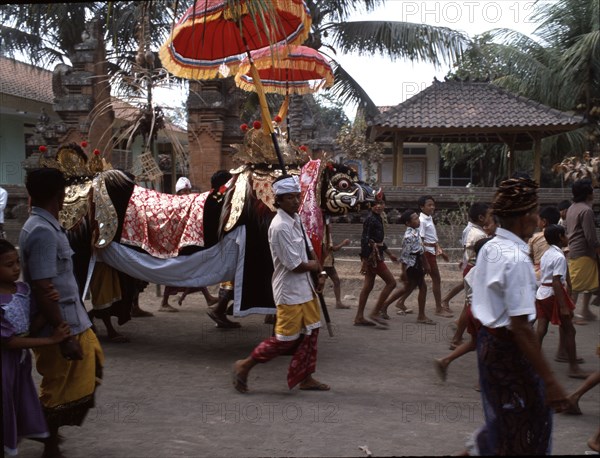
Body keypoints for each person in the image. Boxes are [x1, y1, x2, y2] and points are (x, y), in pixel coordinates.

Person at [465, 176, 568, 455]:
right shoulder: (516, 258)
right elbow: (521, 328)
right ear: (524, 217)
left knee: (507, 419)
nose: (537, 218)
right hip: (508, 351)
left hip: (490, 346)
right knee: (524, 427)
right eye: (534, 212)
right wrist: (549, 380)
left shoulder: (492, 247)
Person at [19, 168, 104, 457]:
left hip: (73, 318)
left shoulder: (46, 226)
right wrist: (61, 333)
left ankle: (44, 433)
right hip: (61, 324)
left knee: (89, 368)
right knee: (58, 385)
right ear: (62, 194)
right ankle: (46, 438)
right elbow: (44, 286)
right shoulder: (42, 231)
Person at [232, 175, 329, 393]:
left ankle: (306, 377)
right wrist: (314, 266)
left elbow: (309, 248)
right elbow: (295, 265)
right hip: (289, 292)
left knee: (312, 333)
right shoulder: (279, 227)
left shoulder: (297, 220)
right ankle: (244, 365)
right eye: (290, 198)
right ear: (279, 200)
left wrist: (320, 272)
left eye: (297, 197)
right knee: (284, 340)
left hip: (306, 288)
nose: (295, 201)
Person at [1, 239, 71, 456]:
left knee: (17, 403)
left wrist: (49, 303)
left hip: (19, 363)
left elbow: (29, 326)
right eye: (8, 264)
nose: (16, 269)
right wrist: (51, 341)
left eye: (17, 263)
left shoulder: (22, 290)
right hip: (3, 363)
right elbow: (9, 341)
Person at [434, 237, 492, 381]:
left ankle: (445, 360)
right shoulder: (489, 271)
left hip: (472, 309)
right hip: (482, 311)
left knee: (474, 342)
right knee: (488, 344)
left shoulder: (473, 270)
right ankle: (482, 380)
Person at [535, 224, 588, 379]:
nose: (567, 237)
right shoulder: (558, 256)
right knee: (570, 330)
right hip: (553, 294)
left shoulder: (547, 254)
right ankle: (573, 368)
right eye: (565, 234)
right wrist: (564, 306)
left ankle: (533, 365)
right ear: (560, 237)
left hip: (542, 294)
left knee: (542, 329)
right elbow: (557, 281)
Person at [160, 176, 218, 312]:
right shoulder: (174, 204)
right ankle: (164, 303)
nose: (186, 193)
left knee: (196, 268)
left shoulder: (191, 204)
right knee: (174, 272)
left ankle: (208, 297)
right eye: (183, 191)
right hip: (176, 242)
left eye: (187, 190)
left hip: (188, 241)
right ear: (178, 192)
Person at [447, 202, 489, 349]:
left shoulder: (470, 229)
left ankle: (460, 329)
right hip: (474, 269)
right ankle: (457, 338)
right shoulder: (480, 234)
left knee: (469, 304)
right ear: (481, 217)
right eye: (489, 216)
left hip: (470, 267)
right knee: (470, 305)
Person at [354, 191, 399, 326]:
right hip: (373, 258)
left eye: (381, 203)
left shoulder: (378, 217)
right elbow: (365, 240)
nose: (378, 206)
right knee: (391, 283)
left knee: (368, 286)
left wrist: (389, 254)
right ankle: (375, 312)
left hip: (375, 255)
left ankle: (359, 317)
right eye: (375, 204)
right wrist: (366, 260)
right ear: (370, 205)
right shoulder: (370, 219)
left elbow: (378, 241)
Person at [381, 209, 433, 324]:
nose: (418, 220)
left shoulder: (415, 231)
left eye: (417, 217)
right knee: (422, 288)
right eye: (415, 219)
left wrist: (425, 263)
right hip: (413, 265)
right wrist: (403, 271)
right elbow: (405, 254)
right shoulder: (409, 236)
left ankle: (384, 306)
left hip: (416, 264)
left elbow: (420, 249)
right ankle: (421, 316)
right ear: (408, 223)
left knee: (408, 288)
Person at [565, 179, 600, 323]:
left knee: (590, 283)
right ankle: (570, 314)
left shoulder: (572, 208)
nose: (594, 192)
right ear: (588, 193)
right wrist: (598, 248)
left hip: (574, 249)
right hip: (583, 252)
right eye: (592, 189)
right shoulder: (586, 211)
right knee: (576, 285)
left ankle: (585, 310)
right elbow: (590, 237)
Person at [418, 195, 452, 318]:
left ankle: (399, 302)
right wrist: (424, 260)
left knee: (413, 282)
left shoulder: (428, 218)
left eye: (433, 204)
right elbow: (420, 241)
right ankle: (438, 308)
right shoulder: (421, 221)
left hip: (431, 251)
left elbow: (432, 238)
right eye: (429, 205)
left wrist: (440, 251)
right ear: (422, 207)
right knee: (436, 279)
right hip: (427, 253)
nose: (432, 207)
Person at [322, 215, 351, 309]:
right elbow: (333, 249)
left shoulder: (325, 234)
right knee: (332, 281)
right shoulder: (325, 234)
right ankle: (337, 302)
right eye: (330, 223)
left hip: (327, 263)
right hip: (326, 264)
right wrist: (343, 243)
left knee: (326, 281)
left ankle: (337, 302)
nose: (331, 226)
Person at [528, 206, 561, 282]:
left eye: (538, 220)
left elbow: (529, 257)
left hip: (538, 275)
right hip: (556, 273)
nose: (537, 223)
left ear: (544, 222)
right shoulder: (560, 236)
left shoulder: (534, 238)